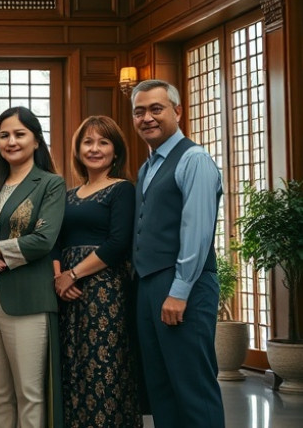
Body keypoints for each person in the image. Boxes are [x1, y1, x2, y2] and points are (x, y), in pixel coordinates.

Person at [130, 79, 224, 427]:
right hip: (149, 288)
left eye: (156, 109)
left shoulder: (194, 159)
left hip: (183, 287)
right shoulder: (147, 167)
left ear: (177, 111)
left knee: (193, 390)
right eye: (139, 112)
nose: (147, 118)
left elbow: (196, 232)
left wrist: (179, 292)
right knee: (162, 389)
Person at [0, 106, 66, 428]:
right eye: (4, 135)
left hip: (29, 299)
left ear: (36, 140)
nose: (11, 141)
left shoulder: (49, 183)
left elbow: (43, 239)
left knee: (30, 393)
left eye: (20, 134)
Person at [51, 116, 142, 428]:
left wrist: (73, 274)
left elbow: (118, 244)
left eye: (103, 142)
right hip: (66, 293)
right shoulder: (67, 194)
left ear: (115, 151)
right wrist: (58, 279)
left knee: (103, 368)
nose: (95, 148)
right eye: (88, 142)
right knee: (71, 367)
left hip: (105, 292)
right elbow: (55, 243)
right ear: (77, 150)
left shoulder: (122, 190)